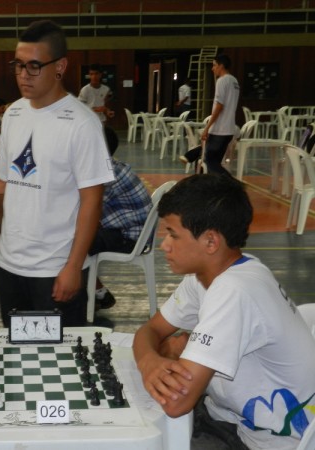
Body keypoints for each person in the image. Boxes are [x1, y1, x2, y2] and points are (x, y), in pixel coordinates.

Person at [132, 174, 315, 450]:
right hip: (226, 417)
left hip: (261, 442)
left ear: (210, 242)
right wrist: (151, 362)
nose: (164, 245)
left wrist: (176, 351)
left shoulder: (234, 290)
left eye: (172, 234)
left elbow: (176, 403)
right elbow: (151, 330)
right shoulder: (209, 275)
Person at [0, 20, 114, 327]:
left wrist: (73, 266)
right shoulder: (14, 114)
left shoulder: (82, 124)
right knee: (16, 357)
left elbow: (92, 202)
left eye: (33, 66)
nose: (23, 75)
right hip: (9, 265)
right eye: (17, 65)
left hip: (56, 270)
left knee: (61, 366)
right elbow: (1, 183)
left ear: (60, 66)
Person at [89, 126, 152, 310]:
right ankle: (98, 293)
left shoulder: (105, 174)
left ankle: (93, 294)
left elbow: (84, 208)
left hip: (130, 239)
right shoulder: (110, 165)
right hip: (133, 232)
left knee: (75, 242)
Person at [200, 54, 240, 175]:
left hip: (219, 130)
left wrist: (207, 128)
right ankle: (217, 190)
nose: (213, 69)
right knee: (215, 162)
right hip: (229, 130)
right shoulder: (234, 81)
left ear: (221, 66)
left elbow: (219, 106)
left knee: (210, 162)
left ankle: (232, 184)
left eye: (214, 65)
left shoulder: (221, 81)